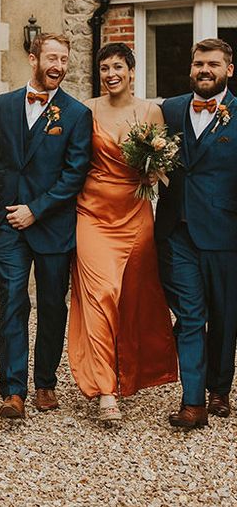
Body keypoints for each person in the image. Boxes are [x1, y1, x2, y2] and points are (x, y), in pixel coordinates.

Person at [0, 32, 92, 420]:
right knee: (12, 299)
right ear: (33, 58)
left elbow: (74, 174)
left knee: (51, 305)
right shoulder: (5, 104)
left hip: (53, 225)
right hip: (8, 225)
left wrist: (36, 209)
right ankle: (13, 391)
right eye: (52, 58)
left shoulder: (77, 114)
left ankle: (45, 381)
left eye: (64, 59)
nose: (59, 66)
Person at [68, 43, 177, 423]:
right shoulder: (86, 110)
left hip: (135, 216)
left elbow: (164, 168)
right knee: (101, 294)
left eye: (117, 66)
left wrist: (153, 172)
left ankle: (130, 374)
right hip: (93, 213)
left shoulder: (151, 111)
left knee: (131, 298)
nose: (110, 73)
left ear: (131, 71)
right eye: (104, 68)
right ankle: (105, 390)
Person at [156, 38, 237, 430]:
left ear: (228, 70)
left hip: (225, 233)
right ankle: (193, 403)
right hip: (176, 232)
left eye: (214, 64)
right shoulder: (168, 110)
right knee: (190, 315)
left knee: (224, 316)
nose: (205, 70)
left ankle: (220, 387)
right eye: (199, 63)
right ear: (191, 68)